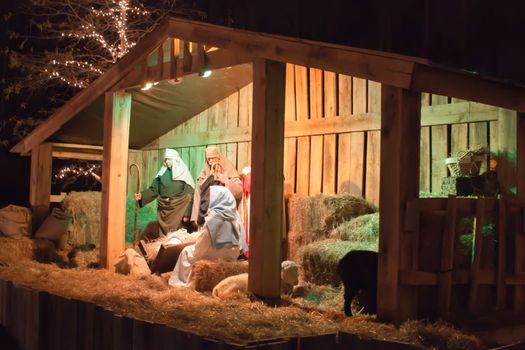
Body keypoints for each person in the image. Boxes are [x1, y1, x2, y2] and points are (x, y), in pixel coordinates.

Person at [169, 185, 247, 287]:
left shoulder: (214, 219)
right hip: (229, 257)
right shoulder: (235, 217)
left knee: (186, 251)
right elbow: (240, 243)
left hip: (212, 256)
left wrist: (195, 249)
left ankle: (180, 282)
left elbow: (200, 247)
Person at [134, 149, 195, 237]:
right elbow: (154, 190)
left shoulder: (184, 174)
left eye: (169, 159)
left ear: (175, 160)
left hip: (179, 210)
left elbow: (190, 196)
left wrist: (187, 214)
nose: (166, 161)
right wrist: (142, 195)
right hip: (164, 209)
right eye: (165, 159)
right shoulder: (162, 173)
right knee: (164, 236)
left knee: (178, 235)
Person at [190, 146, 243, 227]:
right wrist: (195, 218)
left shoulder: (229, 172)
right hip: (205, 216)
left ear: (219, 158)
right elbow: (198, 196)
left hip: (223, 217)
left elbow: (239, 192)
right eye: (209, 159)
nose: (211, 161)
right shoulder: (204, 175)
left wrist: (226, 181)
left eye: (214, 158)